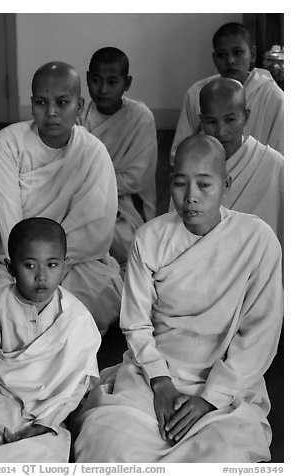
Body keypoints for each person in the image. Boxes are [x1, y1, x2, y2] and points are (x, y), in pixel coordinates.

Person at [72, 134, 283, 463]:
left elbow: (261, 333)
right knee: (106, 441)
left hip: (226, 378)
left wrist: (210, 398)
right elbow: (136, 323)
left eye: (204, 185)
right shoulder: (150, 238)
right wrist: (160, 382)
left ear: (226, 184)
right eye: (181, 184)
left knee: (224, 454)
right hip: (155, 369)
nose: (191, 198)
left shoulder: (257, 240)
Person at [0, 61, 122, 335]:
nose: (51, 113)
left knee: (95, 298)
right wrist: (30, 266)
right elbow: (9, 219)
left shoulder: (92, 152)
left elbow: (95, 229)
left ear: (79, 105)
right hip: (19, 259)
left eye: (62, 102)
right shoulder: (8, 142)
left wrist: (51, 266)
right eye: (41, 102)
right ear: (31, 102)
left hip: (71, 260)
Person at [0, 217, 101, 462]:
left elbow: (77, 383)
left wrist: (48, 422)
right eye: (29, 266)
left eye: (51, 265)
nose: (42, 277)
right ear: (10, 267)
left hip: (51, 408)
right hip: (1, 397)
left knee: (44, 452)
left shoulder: (76, 317)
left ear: (64, 266)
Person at [81, 47, 158, 271]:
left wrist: (90, 185)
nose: (103, 89)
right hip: (81, 197)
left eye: (112, 82)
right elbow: (69, 165)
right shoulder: (79, 114)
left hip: (125, 204)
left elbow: (135, 178)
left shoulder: (140, 118)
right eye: (96, 80)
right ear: (87, 79)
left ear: (127, 83)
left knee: (124, 242)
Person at [170, 22, 284, 162]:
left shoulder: (273, 97)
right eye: (221, 55)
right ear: (214, 59)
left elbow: (281, 159)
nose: (230, 60)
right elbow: (180, 153)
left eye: (237, 53)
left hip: (259, 179)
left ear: (252, 54)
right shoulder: (196, 93)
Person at [199, 77, 283, 247]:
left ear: (246, 117)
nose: (221, 131)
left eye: (230, 120)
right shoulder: (192, 164)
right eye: (211, 122)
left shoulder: (274, 166)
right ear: (201, 121)